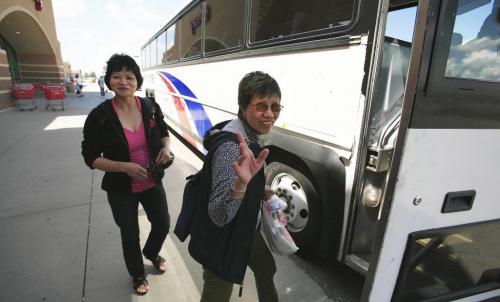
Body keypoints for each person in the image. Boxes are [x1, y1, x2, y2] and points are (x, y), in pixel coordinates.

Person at [81, 54, 171, 295]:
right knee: (130, 234)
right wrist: (124, 167)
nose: (123, 81)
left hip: (152, 181)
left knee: (163, 223)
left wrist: (166, 148)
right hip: (121, 189)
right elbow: (91, 157)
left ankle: (151, 252)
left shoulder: (150, 107)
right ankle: (138, 274)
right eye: (117, 76)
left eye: (129, 76)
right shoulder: (99, 116)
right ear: (109, 81)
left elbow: (163, 131)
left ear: (137, 81)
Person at [189, 71, 282, 302]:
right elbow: (219, 215)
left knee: (266, 268)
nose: (270, 114)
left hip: (245, 229)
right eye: (261, 105)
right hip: (222, 243)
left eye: (275, 107)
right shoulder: (232, 147)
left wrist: (259, 191)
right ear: (242, 106)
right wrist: (241, 184)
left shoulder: (247, 134)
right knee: (217, 294)